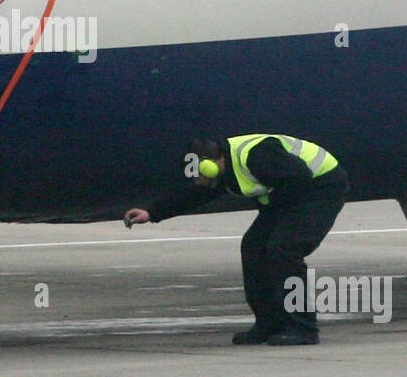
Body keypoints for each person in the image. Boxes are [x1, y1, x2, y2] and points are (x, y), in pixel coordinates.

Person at [125, 135, 349, 346]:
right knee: (253, 247)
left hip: (320, 189)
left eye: (205, 173)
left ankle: (304, 328)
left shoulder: (258, 155)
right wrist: (152, 212)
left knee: (284, 249)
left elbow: (300, 177)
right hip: (287, 196)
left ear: (214, 161)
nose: (202, 179)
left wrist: (271, 206)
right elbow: (197, 195)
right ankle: (268, 323)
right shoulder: (220, 170)